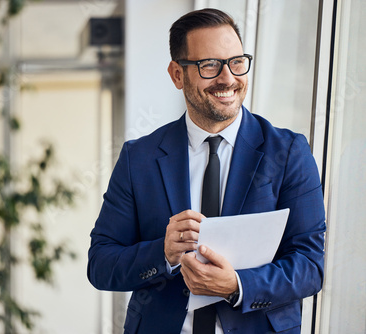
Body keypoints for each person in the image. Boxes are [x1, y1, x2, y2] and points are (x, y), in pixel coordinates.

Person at [87, 8, 325, 334]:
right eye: (209, 65)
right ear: (177, 74)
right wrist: (163, 252)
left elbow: (310, 265)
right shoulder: (137, 159)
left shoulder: (288, 152)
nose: (228, 78)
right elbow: (101, 265)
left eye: (236, 61)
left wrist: (237, 285)